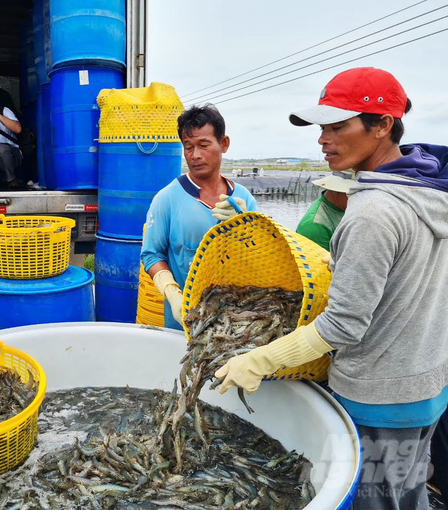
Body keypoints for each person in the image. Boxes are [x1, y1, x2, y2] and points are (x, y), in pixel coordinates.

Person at [214, 67, 448, 509]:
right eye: (322, 127)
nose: (323, 139)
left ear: (382, 125)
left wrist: (260, 359)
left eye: (338, 126)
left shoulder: (372, 212)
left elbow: (342, 325)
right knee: (409, 496)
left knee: (372, 503)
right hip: (427, 387)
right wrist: (323, 253)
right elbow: (399, 271)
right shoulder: (428, 191)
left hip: (378, 398)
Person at [141, 105, 257, 331]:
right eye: (188, 147)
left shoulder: (244, 200)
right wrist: (172, 293)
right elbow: (151, 255)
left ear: (223, 144)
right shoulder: (167, 198)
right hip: (186, 319)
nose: (195, 155)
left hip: (238, 319)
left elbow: (260, 256)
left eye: (203, 145)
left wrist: (248, 226)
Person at [295, 171, 354, 250]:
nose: (359, 198)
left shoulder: (346, 208)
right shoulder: (315, 225)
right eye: (354, 193)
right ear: (336, 190)